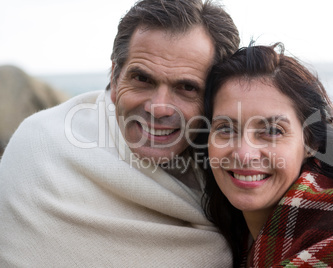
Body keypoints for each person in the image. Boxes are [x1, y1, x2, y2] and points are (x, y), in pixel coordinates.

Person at [0, 0, 240, 266]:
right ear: (115, 78)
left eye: (186, 87)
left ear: (215, 97)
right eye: (142, 79)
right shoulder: (40, 144)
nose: (158, 108)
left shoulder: (239, 175)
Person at [202, 44, 333, 267]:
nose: (244, 154)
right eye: (225, 129)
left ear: (310, 143)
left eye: (272, 131)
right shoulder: (225, 239)